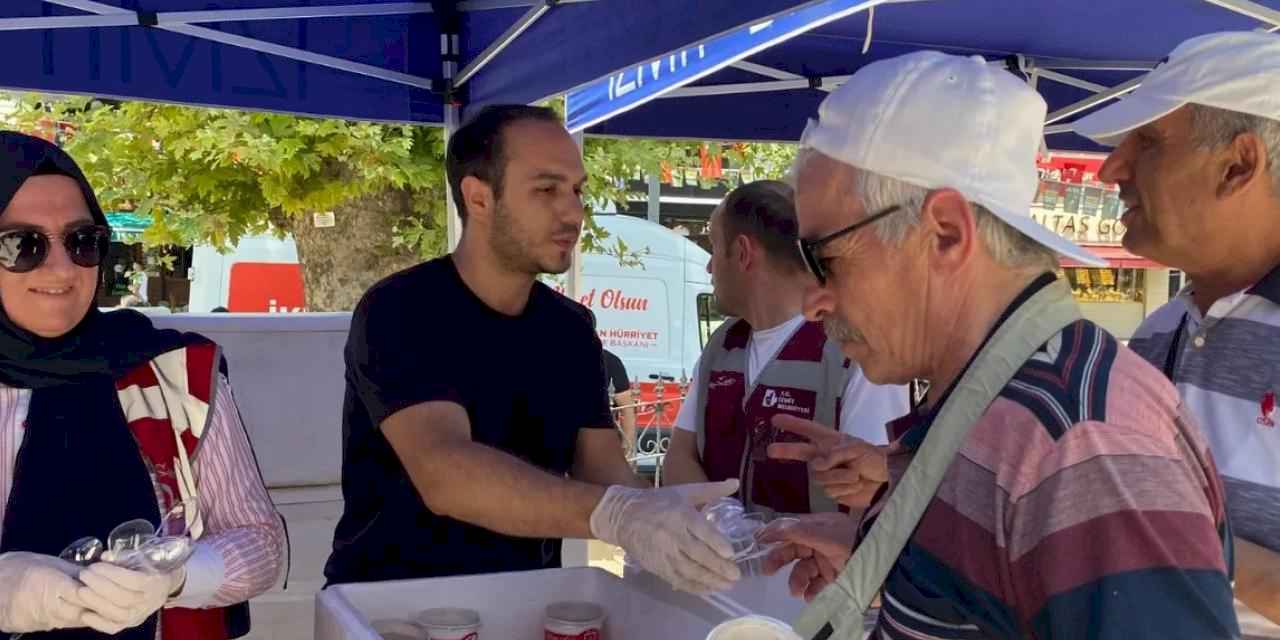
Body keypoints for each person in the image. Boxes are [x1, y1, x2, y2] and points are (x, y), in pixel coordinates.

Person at [758, 51, 1238, 639]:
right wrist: (891, 558)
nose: (814, 302)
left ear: (946, 233)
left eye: (823, 257)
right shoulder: (1008, 406)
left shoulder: (1081, 448)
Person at [324, 105, 739, 594]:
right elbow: (446, 474)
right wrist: (616, 514)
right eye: (546, 189)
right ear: (478, 198)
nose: (573, 211)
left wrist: (677, 517)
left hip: (527, 601)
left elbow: (601, 467)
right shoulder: (400, 310)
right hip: (391, 606)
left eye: (577, 190)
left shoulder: (569, 329)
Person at [0, 131, 285, 639]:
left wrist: (177, 577)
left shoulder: (174, 370)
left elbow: (262, 542)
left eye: (82, 241)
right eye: (23, 245)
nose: (61, 268)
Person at [1073, 30, 1280, 624]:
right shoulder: (1163, 327)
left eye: (1148, 143)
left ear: (1238, 165)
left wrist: (1172, 538)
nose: (1112, 169)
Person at [663, 179, 909, 516]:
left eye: (714, 248)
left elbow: (878, 493)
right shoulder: (723, 343)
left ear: (743, 253)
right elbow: (679, 455)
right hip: (718, 564)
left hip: (814, 566)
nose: (709, 267)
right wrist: (722, 521)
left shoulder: (854, 349)